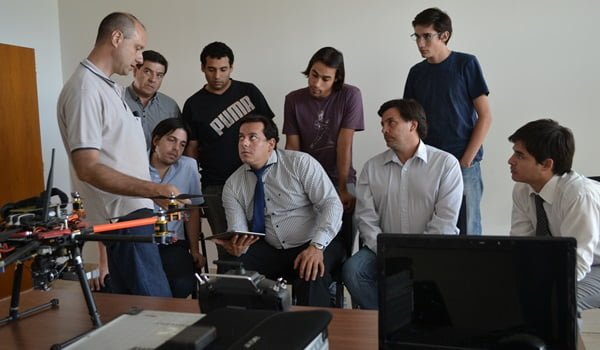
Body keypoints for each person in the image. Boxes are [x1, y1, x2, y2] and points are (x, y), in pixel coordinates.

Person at [57, 12, 179, 297]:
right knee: (157, 312)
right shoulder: (85, 90)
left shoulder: (108, 88)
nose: (139, 59)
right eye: (137, 48)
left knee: (139, 313)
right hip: (123, 220)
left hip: (133, 217)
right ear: (116, 38)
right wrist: (154, 189)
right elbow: (87, 167)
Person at [342, 99, 463, 309]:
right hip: (383, 249)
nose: (384, 130)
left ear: (413, 125)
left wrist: (416, 254)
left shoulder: (445, 164)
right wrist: (385, 251)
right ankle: (387, 324)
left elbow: (445, 221)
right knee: (353, 270)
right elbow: (365, 218)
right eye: (382, 125)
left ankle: (405, 323)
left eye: (391, 123)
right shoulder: (372, 167)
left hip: (432, 250)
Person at [217, 115, 344, 306]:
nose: (244, 143)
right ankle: (242, 327)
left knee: (311, 271)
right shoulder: (233, 184)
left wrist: (317, 247)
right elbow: (239, 230)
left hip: (312, 241)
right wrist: (238, 245)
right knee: (232, 266)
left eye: (252, 137)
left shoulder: (300, 163)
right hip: (269, 247)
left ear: (271, 144)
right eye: (241, 137)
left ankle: (315, 332)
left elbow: (331, 203)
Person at [182, 42, 274, 269]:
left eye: (223, 69)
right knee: (229, 248)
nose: (217, 75)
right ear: (203, 68)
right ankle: (229, 300)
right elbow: (191, 150)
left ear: (231, 67)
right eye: (211, 69)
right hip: (216, 185)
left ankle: (264, 298)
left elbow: (269, 132)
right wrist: (194, 189)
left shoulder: (249, 91)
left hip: (256, 181)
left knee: (263, 243)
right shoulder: (193, 104)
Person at [403, 7, 492, 235]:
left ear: (444, 35)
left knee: (468, 228)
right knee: (430, 226)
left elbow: (485, 116)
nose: (421, 43)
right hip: (427, 161)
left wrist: (466, 160)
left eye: (427, 36)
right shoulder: (416, 73)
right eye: (417, 36)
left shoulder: (466, 64)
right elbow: (410, 121)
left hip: (464, 162)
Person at [508, 119, 600, 311]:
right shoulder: (522, 189)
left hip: (593, 265)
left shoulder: (578, 194)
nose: (510, 160)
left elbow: (579, 264)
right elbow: (520, 247)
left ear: (546, 164)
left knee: (563, 304)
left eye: (520, 155)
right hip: (572, 264)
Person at [283, 46, 364, 217]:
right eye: (314, 75)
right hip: (306, 182)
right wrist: (291, 186)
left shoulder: (350, 95)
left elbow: (344, 144)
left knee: (345, 235)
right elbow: (292, 148)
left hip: (341, 178)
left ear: (336, 79)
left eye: (325, 79)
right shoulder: (293, 100)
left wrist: (342, 187)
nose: (316, 83)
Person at [149, 118, 205, 298]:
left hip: (173, 241)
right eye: (171, 140)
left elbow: (193, 210)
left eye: (182, 144)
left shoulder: (189, 166)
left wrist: (195, 249)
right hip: (141, 240)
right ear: (156, 140)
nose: (176, 149)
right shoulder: (135, 164)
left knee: (183, 284)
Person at [124, 50, 181, 149]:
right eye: (147, 72)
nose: (153, 79)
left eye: (159, 75)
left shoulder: (171, 107)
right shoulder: (117, 98)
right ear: (135, 71)